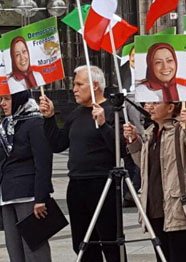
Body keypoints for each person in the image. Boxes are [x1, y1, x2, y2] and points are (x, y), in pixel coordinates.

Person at [40, 66, 122, 261]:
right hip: (77, 183)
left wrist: (103, 125)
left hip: (103, 183)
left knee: (110, 242)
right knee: (82, 243)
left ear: (95, 86)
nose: (74, 89)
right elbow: (58, 144)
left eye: (79, 84)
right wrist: (50, 118)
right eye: (74, 84)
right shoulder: (76, 113)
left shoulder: (111, 111)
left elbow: (120, 149)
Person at [123, 102, 186, 261]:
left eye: (155, 103)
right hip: (155, 207)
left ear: (170, 108)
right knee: (163, 257)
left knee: (182, 256)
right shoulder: (150, 132)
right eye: (149, 103)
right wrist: (133, 140)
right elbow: (143, 164)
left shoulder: (180, 129)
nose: (150, 107)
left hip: (178, 208)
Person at [0, 90, 53, 261]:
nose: (2, 103)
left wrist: (41, 198)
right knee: (14, 249)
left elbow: (43, 162)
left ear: (18, 100)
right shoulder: (6, 125)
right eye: (1, 99)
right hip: (7, 195)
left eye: (7, 99)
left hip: (29, 196)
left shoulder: (35, 123)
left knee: (35, 250)